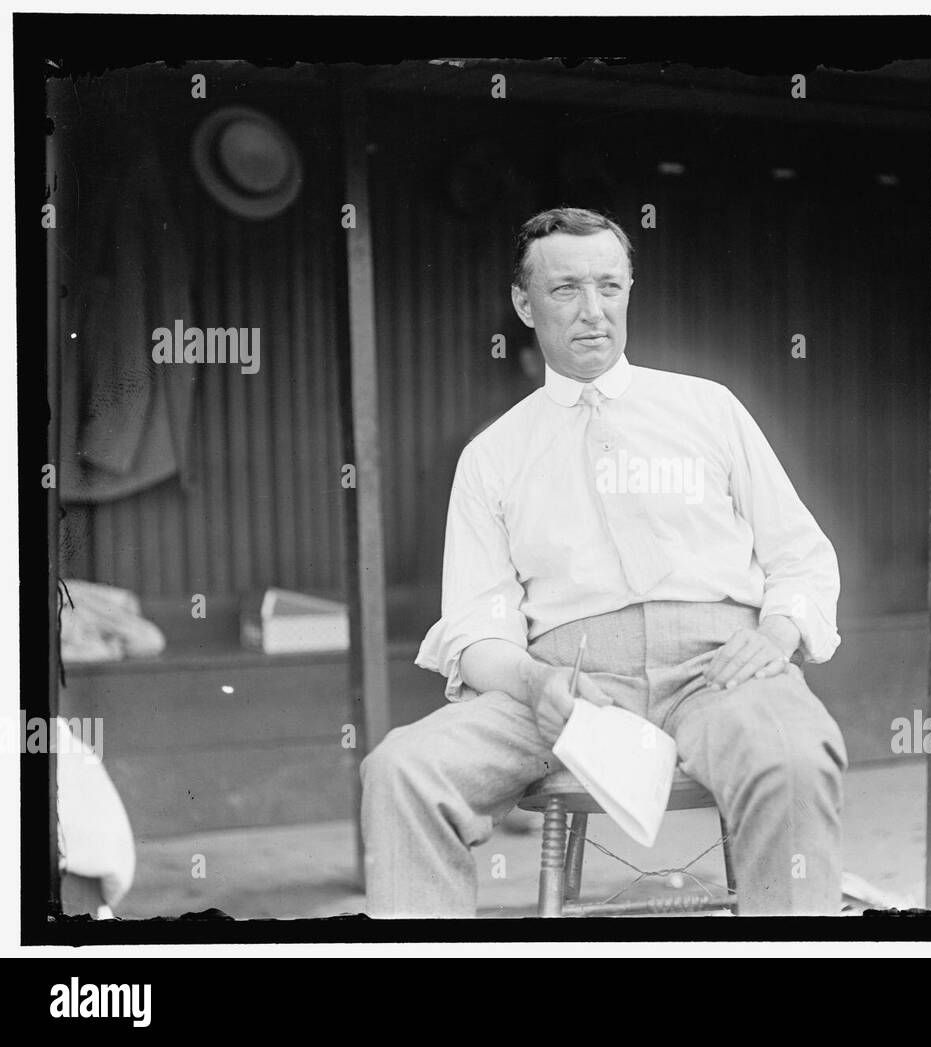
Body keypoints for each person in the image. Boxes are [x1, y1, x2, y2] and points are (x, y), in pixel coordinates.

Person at [361, 207, 847, 916]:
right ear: (524, 304)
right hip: (566, 689)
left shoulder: (707, 409)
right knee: (402, 770)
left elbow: (799, 555)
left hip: (719, 666)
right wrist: (536, 680)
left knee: (796, 756)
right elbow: (475, 630)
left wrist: (773, 638)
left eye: (610, 287)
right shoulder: (494, 456)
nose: (593, 312)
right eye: (565, 291)